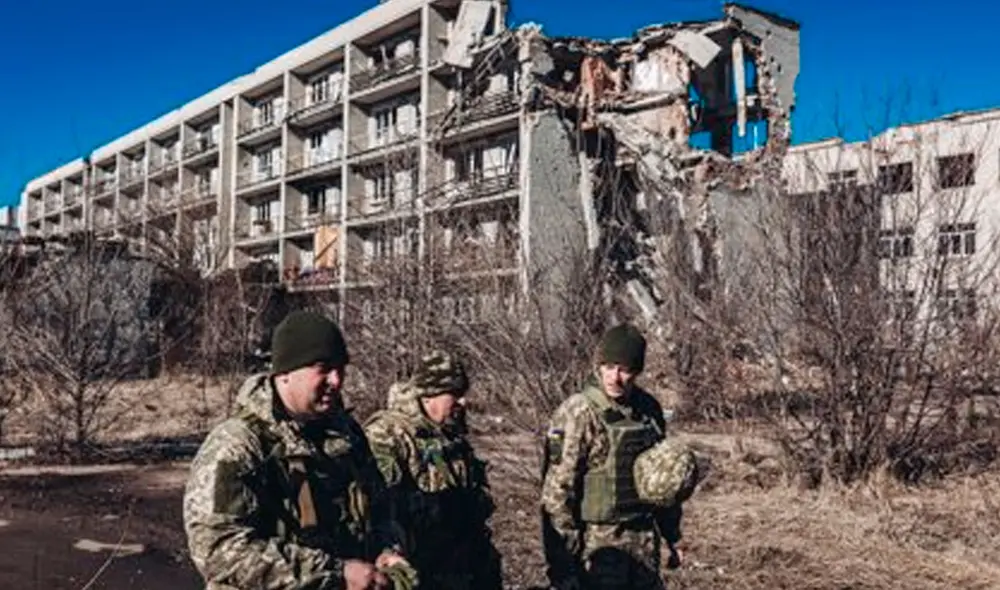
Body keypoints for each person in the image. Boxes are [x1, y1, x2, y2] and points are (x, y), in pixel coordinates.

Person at [183, 310, 417, 590]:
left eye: (341, 368)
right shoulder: (238, 446)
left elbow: (381, 510)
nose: (337, 381)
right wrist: (335, 574)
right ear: (284, 374)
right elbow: (219, 552)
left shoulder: (347, 435)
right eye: (323, 368)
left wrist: (387, 551)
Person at [540, 324, 700, 590]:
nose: (614, 377)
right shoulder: (579, 412)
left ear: (636, 372)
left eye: (624, 369)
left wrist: (673, 535)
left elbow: (663, 481)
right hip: (598, 547)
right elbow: (557, 493)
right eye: (609, 366)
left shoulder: (648, 410)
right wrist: (562, 566)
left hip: (643, 541)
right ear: (598, 365)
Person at [364, 350, 503, 590]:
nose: (463, 402)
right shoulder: (387, 436)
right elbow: (379, 513)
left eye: (463, 394)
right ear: (428, 396)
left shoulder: (451, 437)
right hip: (420, 573)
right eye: (455, 394)